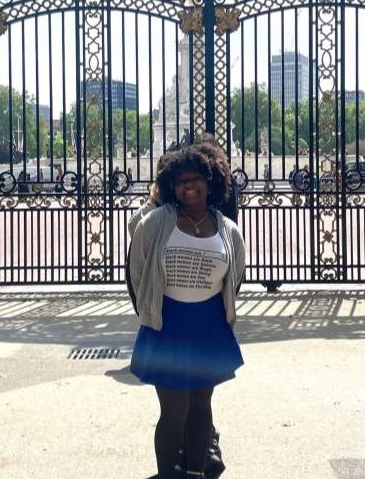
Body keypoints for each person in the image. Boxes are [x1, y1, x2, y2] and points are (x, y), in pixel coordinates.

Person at [127, 145, 245, 479]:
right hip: (169, 325)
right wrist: (149, 310)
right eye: (180, 181)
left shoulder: (228, 230)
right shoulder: (154, 222)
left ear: (212, 183)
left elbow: (233, 278)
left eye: (195, 179)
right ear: (170, 186)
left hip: (208, 325)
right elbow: (138, 271)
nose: (188, 186)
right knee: (174, 412)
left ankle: (195, 472)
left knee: (202, 408)